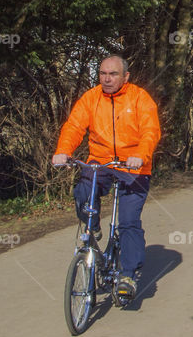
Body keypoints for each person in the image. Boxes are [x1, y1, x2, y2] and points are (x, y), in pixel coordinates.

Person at [52, 55, 161, 301]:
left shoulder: (139, 98)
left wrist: (140, 155)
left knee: (128, 222)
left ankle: (128, 275)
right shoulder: (91, 98)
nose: (107, 78)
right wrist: (63, 151)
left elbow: (150, 130)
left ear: (125, 77)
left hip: (133, 166)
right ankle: (93, 226)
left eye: (112, 74)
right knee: (82, 191)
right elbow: (74, 127)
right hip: (100, 162)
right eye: (102, 73)